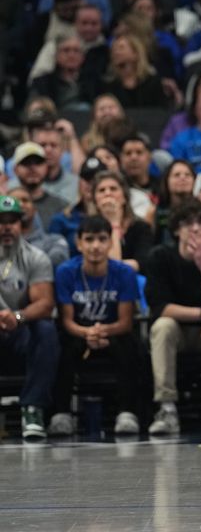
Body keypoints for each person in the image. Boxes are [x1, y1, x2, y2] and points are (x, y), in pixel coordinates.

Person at [145, 199, 201, 435]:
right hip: (178, 330)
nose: (196, 229)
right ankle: (166, 408)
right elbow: (160, 307)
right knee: (162, 326)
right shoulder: (160, 256)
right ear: (176, 230)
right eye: (188, 224)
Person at [48, 216, 141, 436]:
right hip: (78, 332)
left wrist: (102, 331)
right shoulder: (66, 272)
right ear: (79, 243)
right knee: (59, 345)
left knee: (131, 345)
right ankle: (60, 413)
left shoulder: (124, 272)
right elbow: (67, 320)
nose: (96, 246)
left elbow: (126, 322)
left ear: (111, 243)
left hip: (113, 331)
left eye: (102, 239)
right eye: (89, 240)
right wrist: (87, 332)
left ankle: (127, 412)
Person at [0, 195, 58, 439]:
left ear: (21, 224)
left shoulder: (36, 257)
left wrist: (18, 316)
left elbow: (45, 303)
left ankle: (33, 408)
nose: (6, 227)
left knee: (46, 330)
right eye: (1, 221)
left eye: (12, 221)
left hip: (19, 330)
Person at [8, 187, 69, 269]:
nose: (20, 204)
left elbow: (57, 262)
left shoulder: (54, 241)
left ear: (34, 209)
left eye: (25, 200)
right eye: (14, 202)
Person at [12, 141, 69, 230]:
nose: (32, 168)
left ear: (46, 167)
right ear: (15, 169)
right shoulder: (5, 204)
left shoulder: (61, 207)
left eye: (38, 162)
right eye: (26, 163)